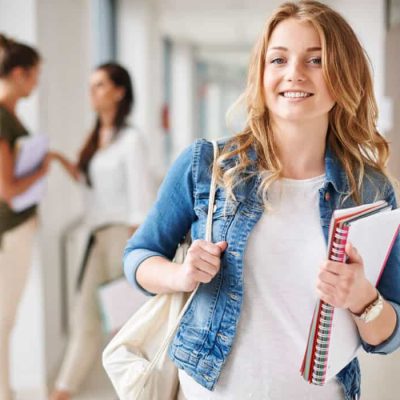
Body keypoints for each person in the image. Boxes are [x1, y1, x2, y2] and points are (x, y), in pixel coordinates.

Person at [123, 1, 400, 399]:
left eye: (316, 60)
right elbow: (139, 255)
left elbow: (388, 335)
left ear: (344, 75)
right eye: (279, 59)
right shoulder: (208, 166)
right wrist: (179, 276)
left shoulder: (370, 190)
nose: (294, 74)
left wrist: (363, 299)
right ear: (261, 72)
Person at [49, 63, 154, 400]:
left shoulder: (131, 139)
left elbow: (141, 198)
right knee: (86, 318)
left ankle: (144, 390)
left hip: (122, 237)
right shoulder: (98, 137)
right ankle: (63, 391)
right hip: (97, 238)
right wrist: (56, 159)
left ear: (118, 91)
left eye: (99, 85)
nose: (92, 91)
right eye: (91, 85)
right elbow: (90, 183)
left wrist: (134, 250)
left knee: (128, 324)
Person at [0, 33, 52, 400]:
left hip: (16, 229)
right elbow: (8, 189)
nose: (36, 83)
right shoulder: (2, 117)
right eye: (34, 75)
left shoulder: (9, 116)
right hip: (10, 230)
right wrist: (42, 168)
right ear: (19, 74)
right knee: (4, 319)